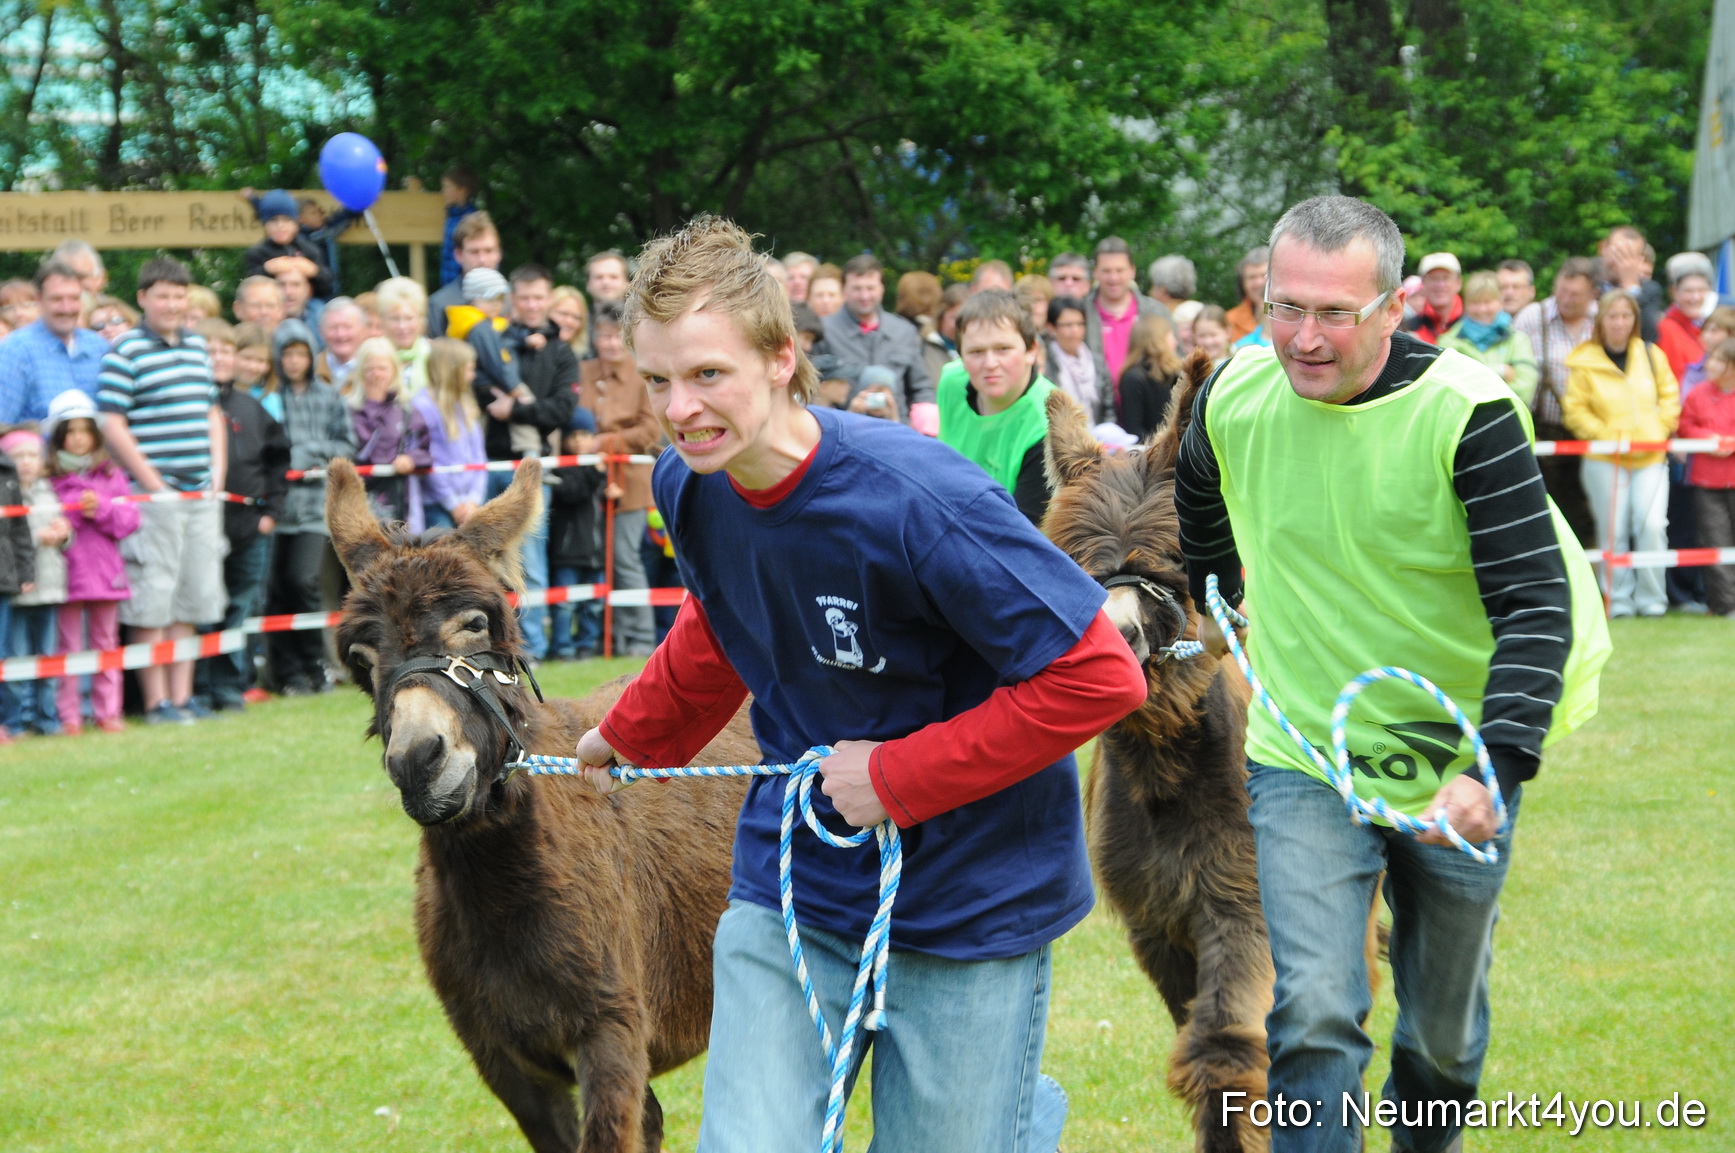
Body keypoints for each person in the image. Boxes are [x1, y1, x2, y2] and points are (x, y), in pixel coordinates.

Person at [573, 214, 1146, 1152]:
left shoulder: (922, 501)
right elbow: (725, 615)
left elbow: (1096, 676)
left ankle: (1014, 1119)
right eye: (660, 379)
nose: (680, 408)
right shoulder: (691, 481)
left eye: (707, 374)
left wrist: (897, 777)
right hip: (793, 879)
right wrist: (632, 731)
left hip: (971, 896)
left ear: (782, 358)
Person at [1181, 195, 1610, 1153]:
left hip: (1455, 757)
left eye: (1334, 312)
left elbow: (1535, 607)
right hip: (1303, 752)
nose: (1303, 336)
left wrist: (1493, 765)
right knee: (1315, 1015)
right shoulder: (1231, 397)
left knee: (1443, 1039)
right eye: (1283, 306)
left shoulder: (1466, 411)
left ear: (1394, 305)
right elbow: (1201, 509)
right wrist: (1220, 594)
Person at [97, 256, 227, 724]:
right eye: (162, 295)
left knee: (191, 598)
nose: (171, 304)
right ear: (142, 299)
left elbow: (211, 412)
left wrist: (218, 473)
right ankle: (156, 703)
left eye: (178, 295)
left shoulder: (196, 347)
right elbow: (110, 423)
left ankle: (184, 696)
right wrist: (152, 483)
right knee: (153, 599)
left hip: (198, 494)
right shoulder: (125, 350)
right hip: (153, 497)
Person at [1563, 290, 1680, 617]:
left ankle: (1653, 600)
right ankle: (1618, 601)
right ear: (1602, 320)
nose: (1619, 323)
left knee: (1653, 525)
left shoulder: (1652, 354)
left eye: (1626, 316)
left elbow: (1670, 396)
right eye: (1612, 316)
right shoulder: (1584, 359)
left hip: (1650, 455)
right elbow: (1575, 411)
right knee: (1612, 530)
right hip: (1604, 459)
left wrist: (1660, 427)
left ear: (1635, 320)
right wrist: (1604, 437)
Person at [196, 318, 287, 712]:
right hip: (199, 524)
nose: (218, 358)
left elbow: (279, 462)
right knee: (201, 607)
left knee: (240, 606)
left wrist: (272, 513)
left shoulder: (252, 408)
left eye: (225, 351)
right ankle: (198, 686)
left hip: (249, 526)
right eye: (210, 350)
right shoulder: (187, 406)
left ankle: (230, 686)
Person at [268, 317, 356, 694]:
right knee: (274, 590)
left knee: (304, 581)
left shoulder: (329, 396)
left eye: (301, 353)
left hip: (313, 508)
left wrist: (309, 453)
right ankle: (286, 674)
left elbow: (347, 446)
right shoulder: (271, 397)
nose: (294, 361)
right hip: (276, 508)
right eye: (287, 354)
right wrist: (293, 456)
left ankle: (315, 664)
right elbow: (270, 448)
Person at [46, 389, 140, 735]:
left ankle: (108, 712)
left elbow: (130, 520)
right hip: (66, 574)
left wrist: (100, 508)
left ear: (95, 435)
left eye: (85, 431)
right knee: (67, 647)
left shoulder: (110, 474)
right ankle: (69, 716)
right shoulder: (50, 478)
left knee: (106, 645)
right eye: (70, 432)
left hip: (106, 575)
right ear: (59, 437)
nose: (78, 439)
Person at [577, 300, 660, 656]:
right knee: (593, 561)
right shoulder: (582, 371)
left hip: (629, 480)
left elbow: (651, 429)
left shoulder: (642, 373)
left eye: (616, 337)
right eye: (604, 336)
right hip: (583, 482)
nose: (610, 343)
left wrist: (603, 441)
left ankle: (640, 640)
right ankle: (606, 639)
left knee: (625, 559)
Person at [937, 288, 1058, 524]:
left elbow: (1022, 530)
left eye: (1003, 349)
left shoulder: (1049, 421)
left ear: (1031, 350)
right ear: (960, 354)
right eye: (976, 352)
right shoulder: (951, 382)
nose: (990, 363)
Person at [1515, 256, 1600, 545]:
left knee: (1586, 515)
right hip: (1543, 431)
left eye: (1575, 294)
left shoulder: (1603, 319)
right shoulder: (1531, 316)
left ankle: (1587, 581)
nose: (1566, 299)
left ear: (1593, 294)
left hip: (1593, 435)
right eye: (1562, 290)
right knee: (1541, 511)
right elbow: (1516, 370)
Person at [815, 254, 936, 431]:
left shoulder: (904, 331)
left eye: (870, 288)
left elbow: (921, 387)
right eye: (857, 288)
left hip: (896, 430)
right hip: (845, 432)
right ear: (844, 290)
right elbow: (810, 389)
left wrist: (923, 425)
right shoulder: (824, 331)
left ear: (882, 289)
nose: (864, 296)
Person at [0, 428, 64, 737]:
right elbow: (14, 538)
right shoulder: (8, 491)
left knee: (48, 659)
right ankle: (17, 720)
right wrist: (39, 538)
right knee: (15, 660)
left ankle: (47, 718)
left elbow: (65, 533)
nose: (26, 462)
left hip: (50, 588)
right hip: (18, 591)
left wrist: (64, 533)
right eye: (18, 455)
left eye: (32, 455)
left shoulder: (47, 491)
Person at [0, 261, 112, 424]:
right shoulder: (15, 350)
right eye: (57, 299)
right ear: (39, 301)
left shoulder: (99, 347)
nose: (66, 308)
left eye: (74, 298)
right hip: (38, 447)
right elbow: (3, 423)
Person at [1677, 337, 1735, 616]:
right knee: (1715, 541)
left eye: (1720, 360)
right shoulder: (1698, 393)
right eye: (1711, 358)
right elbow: (1685, 425)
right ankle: (1724, 605)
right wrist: (1707, 438)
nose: (1711, 365)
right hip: (1706, 481)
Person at [546, 408, 608, 660]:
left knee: (593, 603)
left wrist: (607, 490)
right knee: (564, 604)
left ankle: (587, 643)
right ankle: (562, 646)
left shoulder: (598, 467)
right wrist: (596, 474)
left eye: (585, 434)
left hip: (595, 549)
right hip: (568, 550)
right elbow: (573, 492)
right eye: (574, 435)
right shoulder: (563, 468)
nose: (579, 440)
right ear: (564, 440)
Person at [407, 338, 487, 531]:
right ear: (452, 369)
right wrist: (453, 504)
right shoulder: (422, 406)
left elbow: (479, 457)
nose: (472, 376)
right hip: (437, 505)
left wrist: (473, 501)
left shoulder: (466, 404)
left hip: (470, 505)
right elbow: (427, 459)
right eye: (469, 369)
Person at [1439, 270, 1540, 406]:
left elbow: (1524, 393)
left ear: (1499, 301)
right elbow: (1446, 392)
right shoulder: (1448, 341)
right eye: (1475, 303)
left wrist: (1470, 380)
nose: (1482, 309)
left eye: (1488, 302)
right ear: (1466, 304)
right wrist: (1502, 370)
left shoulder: (1518, 340)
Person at [1085, 237, 1168, 387]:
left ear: (1132, 271)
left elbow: (1176, 359)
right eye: (1106, 271)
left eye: (1120, 270)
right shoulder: (1082, 313)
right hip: (1097, 406)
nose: (1113, 278)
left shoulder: (1155, 311)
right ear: (1095, 273)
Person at [349, 336, 415, 523]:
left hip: (397, 494)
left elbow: (424, 446)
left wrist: (411, 459)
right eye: (370, 369)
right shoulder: (349, 409)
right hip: (361, 493)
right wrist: (375, 406)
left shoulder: (406, 409)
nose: (376, 374)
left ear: (394, 370)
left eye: (382, 368)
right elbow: (366, 451)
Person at [0, 422, 35, 743]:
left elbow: (20, 529)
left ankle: (10, 722)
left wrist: (27, 572)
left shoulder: (6, 470)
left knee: (5, 654)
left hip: (4, 578)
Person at [242, 189, 332, 299]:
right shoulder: (256, 252)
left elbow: (328, 286)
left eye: (287, 220)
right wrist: (266, 270)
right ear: (264, 224)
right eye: (273, 220)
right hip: (269, 305)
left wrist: (314, 271)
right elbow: (249, 289)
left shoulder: (310, 250)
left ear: (297, 222)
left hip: (306, 307)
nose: (280, 225)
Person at [428, 212, 503, 337]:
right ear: (458, 255)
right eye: (474, 252)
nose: (482, 259)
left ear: (499, 254)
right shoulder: (439, 304)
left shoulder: (514, 300)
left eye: (489, 251)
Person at [1045, 295, 1112, 424]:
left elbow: (1109, 406)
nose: (1075, 330)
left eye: (1080, 324)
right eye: (1067, 325)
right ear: (1052, 327)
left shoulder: (1096, 361)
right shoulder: (1046, 364)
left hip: (1097, 437)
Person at [1116, 314, 1184, 440]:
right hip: (1153, 452)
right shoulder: (1134, 378)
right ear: (1158, 340)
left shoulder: (1175, 374)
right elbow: (1134, 429)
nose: (1175, 342)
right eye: (1171, 335)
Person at [1597, 225, 1664, 343]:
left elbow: (1649, 337)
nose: (1622, 262)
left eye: (1630, 256)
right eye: (1618, 253)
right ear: (1603, 248)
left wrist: (1631, 287)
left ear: (1640, 259)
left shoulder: (1650, 290)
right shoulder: (1588, 282)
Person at [1655, 253, 1717, 380]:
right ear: (1674, 292)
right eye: (1688, 291)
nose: (1696, 297)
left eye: (1701, 290)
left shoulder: (1713, 324)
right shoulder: (1667, 329)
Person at [377, 277, 432, 400]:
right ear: (382, 321)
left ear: (421, 320)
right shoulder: (373, 357)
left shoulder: (434, 355)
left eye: (409, 318)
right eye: (395, 319)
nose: (402, 326)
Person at [1405, 252, 1463, 344]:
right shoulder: (1408, 328)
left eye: (1446, 278)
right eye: (1433, 278)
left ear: (1458, 283)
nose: (1440, 284)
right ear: (1423, 283)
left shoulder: (1475, 323)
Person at [439, 165, 482, 288]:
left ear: (462, 191)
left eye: (447, 187)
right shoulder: (450, 215)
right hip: (448, 285)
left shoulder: (473, 220)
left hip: (467, 286)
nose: (443, 191)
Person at [315, 298, 367, 396]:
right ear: (321, 331)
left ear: (363, 330)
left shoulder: (373, 370)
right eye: (333, 327)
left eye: (348, 327)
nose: (341, 334)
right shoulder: (310, 370)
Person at [1223, 245, 1269, 343]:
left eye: (1263, 275)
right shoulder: (1230, 320)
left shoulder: (1291, 315)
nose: (1259, 283)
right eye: (1252, 277)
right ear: (1242, 283)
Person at [275, 264, 323, 337]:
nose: (288, 292)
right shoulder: (263, 318)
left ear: (308, 290)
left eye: (295, 285)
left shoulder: (322, 319)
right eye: (281, 284)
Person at [550, 285, 590, 359]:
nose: (569, 321)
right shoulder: (528, 351)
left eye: (576, 317)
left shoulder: (585, 359)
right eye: (563, 314)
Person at [1191, 304, 1232, 368]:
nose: (1208, 342)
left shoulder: (1239, 361)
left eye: (1213, 335)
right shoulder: (1191, 367)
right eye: (1202, 336)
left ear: (1227, 333)